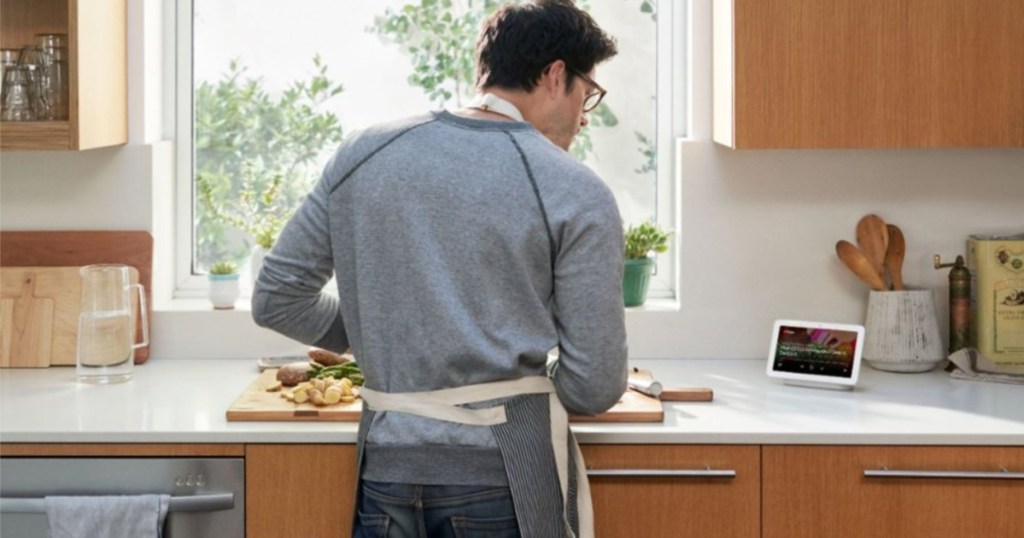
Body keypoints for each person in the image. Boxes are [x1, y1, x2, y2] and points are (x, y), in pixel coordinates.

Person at [252, 1, 627, 536]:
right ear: (554, 76)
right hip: (505, 477)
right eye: (586, 93)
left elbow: (278, 298)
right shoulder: (573, 188)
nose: (585, 115)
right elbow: (594, 386)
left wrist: (388, 338)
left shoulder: (363, 151)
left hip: (386, 468)